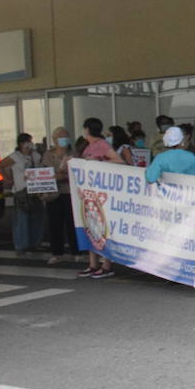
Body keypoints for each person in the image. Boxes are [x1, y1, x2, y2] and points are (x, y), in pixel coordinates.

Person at [76, 117, 122, 279]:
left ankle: (106, 265)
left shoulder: (102, 144)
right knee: (91, 227)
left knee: (103, 228)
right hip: (89, 192)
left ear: (87, 129)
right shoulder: (88, 146)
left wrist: (99, 161)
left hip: (101, 192)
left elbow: (119, 161)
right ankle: (93, 264)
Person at [1, 133, 45, 256]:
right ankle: (21, 245)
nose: (30, 144)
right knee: (21, 219)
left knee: (37, 218)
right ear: (21, 144)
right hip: (21, 190)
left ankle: (35, 243)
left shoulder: (36, 156)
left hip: (35, 189)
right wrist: (7, 179)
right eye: (28, 142)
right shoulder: (15, 156)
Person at [43, 127, 77, 265]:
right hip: (54, 194)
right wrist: (62, 174)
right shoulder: (48, 155)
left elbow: (76, 172)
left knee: (73, 224)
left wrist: (61, 175)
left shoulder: (73, 153)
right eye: (61, 137)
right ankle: (57, 253)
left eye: (66, 136)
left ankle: (77, 252)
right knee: (55, 224)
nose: (65, 139)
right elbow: (47, 173)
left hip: (70, 193)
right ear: (55, 139)